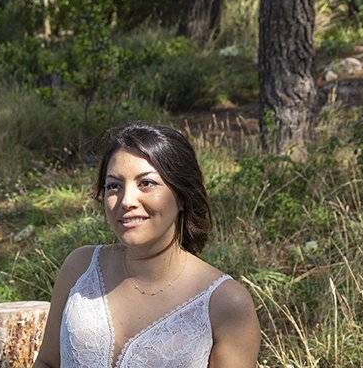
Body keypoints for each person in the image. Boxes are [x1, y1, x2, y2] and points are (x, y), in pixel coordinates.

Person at [33, 123, 261, 368]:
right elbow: (47, 362)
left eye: (146, 183)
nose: (126, 200)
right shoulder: (80, 268)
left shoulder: (225, 303)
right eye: (114, 186)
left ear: (182, 195)